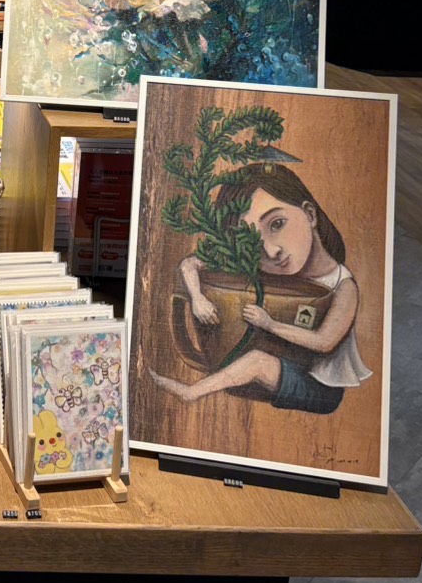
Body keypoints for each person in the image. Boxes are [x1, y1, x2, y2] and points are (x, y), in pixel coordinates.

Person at [149, 163, 371, 416]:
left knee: (257, 362)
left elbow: (324, 342)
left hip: (321, 389)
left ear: (310, 214)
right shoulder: (267, 269)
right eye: (252, 241)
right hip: (284, 370)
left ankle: (192, 393)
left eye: (277, 224)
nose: (271, 251)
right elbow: (190, 264)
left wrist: (270, 324)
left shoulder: (343, 285)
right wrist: (198, 298)